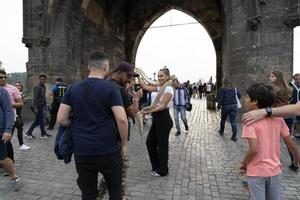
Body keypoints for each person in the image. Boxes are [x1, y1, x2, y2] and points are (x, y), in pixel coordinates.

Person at [57, 52, 128, 200]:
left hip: (83, 151)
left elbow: (61, 119)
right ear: (106, 67)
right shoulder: (111, 88)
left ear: (89, 66)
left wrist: (79, 123)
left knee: (88, 194)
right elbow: (121, 119)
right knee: (115, 191)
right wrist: (125, 144)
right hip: (109, 149)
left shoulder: (73, 88)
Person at [238, 83, 300, 200]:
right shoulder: (279, 119)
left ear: (255, 101)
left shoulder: (249, 119)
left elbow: (253, 149)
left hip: (256, 171)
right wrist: (297, 159)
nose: (245, 99)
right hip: (275, 171)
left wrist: (243, 162)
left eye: (247, 97)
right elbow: (292, 145)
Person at [98, 61, 142, 199]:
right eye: (128, 75)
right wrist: (136, 99)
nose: (130, 79)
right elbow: (132, 113)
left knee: (110, 171)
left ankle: (98, 195)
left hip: (102, 136)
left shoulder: (103, 85)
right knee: (121, 170)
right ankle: (120, 196)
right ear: (119, 73)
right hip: (116, 138)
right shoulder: (119, 90)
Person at [139, 67, 174, 177]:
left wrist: (147, 111)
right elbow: (145, 86)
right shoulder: (159, 87)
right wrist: (138, 75)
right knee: (150, 143)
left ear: (167, 77)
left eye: (161, 76)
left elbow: (163, 106)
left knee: (162, 146)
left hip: (164, 118)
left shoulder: (168, 89)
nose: (159, 78)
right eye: (158, 76)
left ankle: (163, 170)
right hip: (157, 118)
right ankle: (157, 166)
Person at [269, 70, 297, 171]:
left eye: (272, 76)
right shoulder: (289, 88)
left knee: (271, 141)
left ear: (277, 78)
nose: (270, 78)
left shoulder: (274, 89)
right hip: (288, 115)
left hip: (277, 115)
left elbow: (271, 103)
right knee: (288, 140)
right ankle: (295, 162)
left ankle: (270, 163)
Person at [0, 86, 20, 191]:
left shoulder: (1, 91)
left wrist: (8, 130)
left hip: (0, 129)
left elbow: (8, 111)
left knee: (3, 159)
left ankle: (13, 174)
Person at [25, 74, 51, 138]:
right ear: (39, 79)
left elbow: (43, 97)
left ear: (45, 80)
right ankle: (43, 134)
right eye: (41, 79)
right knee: (41, 120)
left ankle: (29, 132)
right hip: (37, 106)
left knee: (38, 120)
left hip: (41, 105)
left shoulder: (44, 87)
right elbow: (35, 98)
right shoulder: (37, 87)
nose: (42, 80)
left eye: (44, 79)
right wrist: (35, 107)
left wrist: (45, 105)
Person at [217, 77, 241, 141]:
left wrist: (219, 106)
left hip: (226, 106)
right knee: (233, 121)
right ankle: (234, 136)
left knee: (223, 119)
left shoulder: (223, 89)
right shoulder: (235, 88)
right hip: (234, 105)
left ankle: (221, 131)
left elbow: (220, 99)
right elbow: (239, 96)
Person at [13, 81, 31, 150]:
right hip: (15, 114)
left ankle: (21, 144)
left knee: (16, 129)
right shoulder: (13, 94)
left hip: (18, 115)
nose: (18, 87)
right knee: (19, 128)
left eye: (19, 86)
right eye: (16, 85)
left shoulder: (20, 94)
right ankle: (21, 145)